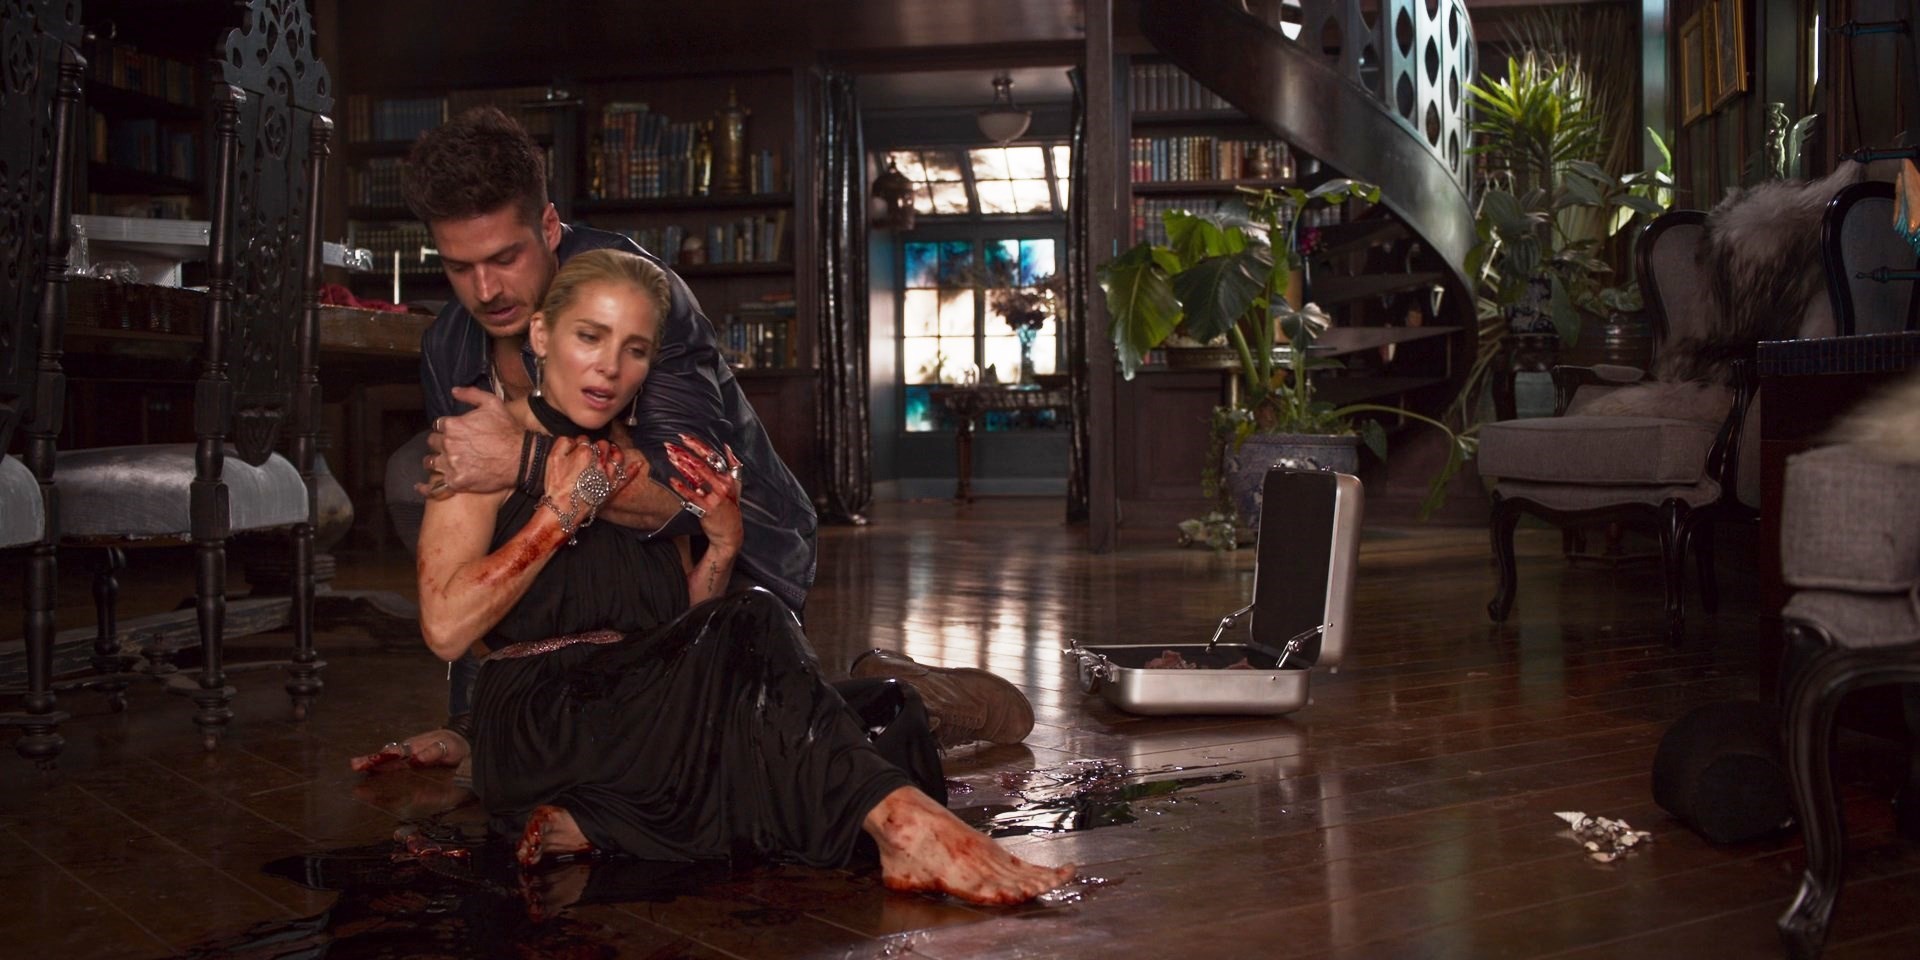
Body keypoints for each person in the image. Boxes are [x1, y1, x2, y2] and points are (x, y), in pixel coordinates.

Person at [360, 106, 1032, 775]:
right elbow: (467, 542)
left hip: (730, 549)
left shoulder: (640, 297)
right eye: (460, 267)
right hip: (579, 586)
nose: (485, 290)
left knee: (740, 764)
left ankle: (895, 699)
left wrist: (525, 459)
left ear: (549, 226)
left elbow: (687, 493)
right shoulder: (450, 344)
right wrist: (474, 721)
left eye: (505, 258)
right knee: (417, 472)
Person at [403, 248, 1071, 904]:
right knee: (759, 626)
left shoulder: (642, 466)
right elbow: (445, 628)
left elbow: (682, 631)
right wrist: (557, 517)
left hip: (634, 715)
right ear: (542, 334)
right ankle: (902, 825)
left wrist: (722, 541)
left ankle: (606, 823)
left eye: (635, 349)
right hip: (542, 720)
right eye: (590, 337)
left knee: (888, 713)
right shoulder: (476, 452)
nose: (610, 366)